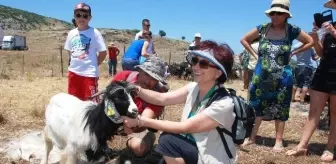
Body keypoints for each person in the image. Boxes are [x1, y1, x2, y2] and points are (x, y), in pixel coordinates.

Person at [122, 40, 237, 164]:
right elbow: (163, 99)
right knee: (169, 144)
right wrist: (135, 89)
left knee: (168, 141)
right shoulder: (194, 87)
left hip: (210, 158)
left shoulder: (224, 104)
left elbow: (184, 127)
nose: (195, 67)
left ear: (218, 73)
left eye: (203, 64)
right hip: (195, 147)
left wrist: (140, 120)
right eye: (194, 61)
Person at [240, 0, 313, 152]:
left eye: (278, 13)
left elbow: (310, 41)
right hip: (261, 75)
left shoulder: (292, 30)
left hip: (283, 77)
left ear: (286, 15)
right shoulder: (262, 28)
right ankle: (252, 137)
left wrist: (295, 52)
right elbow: (244, 39)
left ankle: (278, 141)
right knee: (256, 104)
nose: (274, 16)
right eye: (272, 13)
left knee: (281, 107)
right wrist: (255, 55)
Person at [285, 21, 336, 162]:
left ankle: (330, 148)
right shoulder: (330, 28)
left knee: (335, 114)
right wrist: (315, 39)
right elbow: (321, 53)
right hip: (323, 73)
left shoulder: (332, 30)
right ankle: (302, 146)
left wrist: (334, 33)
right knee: (313, 112)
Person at [112, 56, 169, 157]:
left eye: (154, 79)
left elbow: (143, 121)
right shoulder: (123, 77)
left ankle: (130, 145)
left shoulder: (158, 94)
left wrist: (128, 126)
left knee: (139, 148)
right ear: (139, 70)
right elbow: (106, 101)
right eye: (146, 74)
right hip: (114, 120)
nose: (148, 81)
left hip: (139, 127)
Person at [64, 2, 107, 102]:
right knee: (73, 100)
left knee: (91, 102)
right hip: (74, 72)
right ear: (74, 17)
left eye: (85, 16)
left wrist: (95, 64)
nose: (81, 18)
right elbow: (70, 51)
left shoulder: (94, 33)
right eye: (78, 15)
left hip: (89, 74)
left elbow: (103, 52)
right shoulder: (71, 33)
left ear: (90, 18)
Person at [291, 34, 319, 103]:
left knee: (296, 83)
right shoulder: (310, 47)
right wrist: (319, 55)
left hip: (298, 66)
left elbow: (292, 54)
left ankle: (292, 98)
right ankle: (302, 99)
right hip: (307, 67)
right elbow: (314, 58)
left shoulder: (296, 46)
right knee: (305, 84)